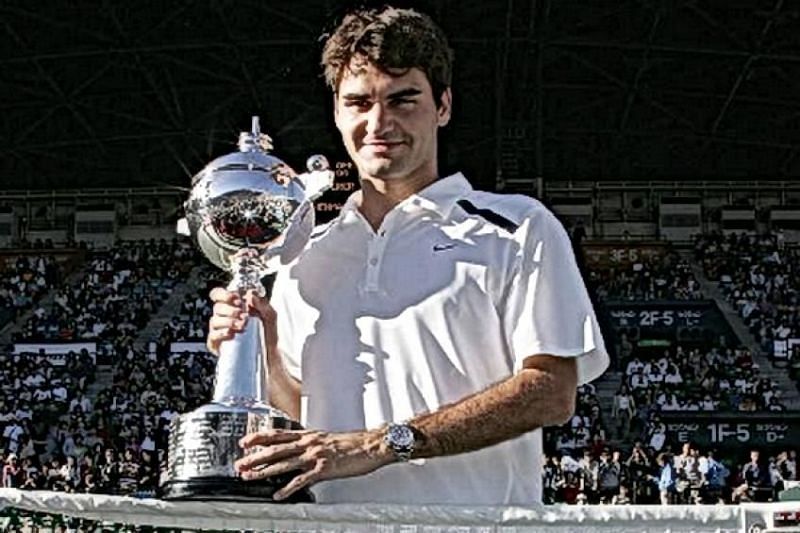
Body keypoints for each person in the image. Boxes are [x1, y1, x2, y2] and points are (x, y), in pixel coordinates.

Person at [206, 5, 608, 505]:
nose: (380, 122)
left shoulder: (517, 227)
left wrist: (384, 443)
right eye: (359, 102)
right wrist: (261, 352)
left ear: (443, 106)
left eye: (403, 100)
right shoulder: (299, 252)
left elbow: (551, 391)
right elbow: (302, 410)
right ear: (336, 112)